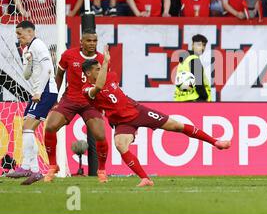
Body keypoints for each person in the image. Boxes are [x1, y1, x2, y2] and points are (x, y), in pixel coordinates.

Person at [82, 46, 230, 187]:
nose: (101, 70)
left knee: (176, 125)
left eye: (101, 68)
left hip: (137, 111)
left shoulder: (111, 76)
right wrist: (106, 61)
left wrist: (105, 65)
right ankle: (145, 178)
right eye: (97, 69)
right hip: (121, 122)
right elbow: (99, 87)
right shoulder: (86, 90)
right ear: (89, 73)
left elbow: (108, 86)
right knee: (121, 145)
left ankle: (215, 142)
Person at [42, 30, 109, 184]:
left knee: (100, 135)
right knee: (50, 126)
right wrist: (54, 98)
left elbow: (104, 83)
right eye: (89, 41)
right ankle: (53, 165)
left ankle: (102, 170)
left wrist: (105, 104)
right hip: (70, 100)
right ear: (81, 42)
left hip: (90, 102)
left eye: (94, 40)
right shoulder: (68, 55)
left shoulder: (101, 59)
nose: (92, 43)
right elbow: (59, 75)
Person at [6, 21, 58, 185]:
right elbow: (27, 75)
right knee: (26, 128)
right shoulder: (28, 49)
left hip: (45, 91)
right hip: (40, 92)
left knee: (28, 127)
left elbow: (48, 69)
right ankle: (30, 167)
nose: (18, 37)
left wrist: (38, 92)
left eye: (20, 34)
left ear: (30, 32)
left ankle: (32, 169)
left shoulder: (39, 45)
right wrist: (28, 61)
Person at [174, 34, 211, 102]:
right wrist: (205, 96)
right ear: (193, 45)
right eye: (199, 45)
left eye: (204, 45)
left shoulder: (184, 60)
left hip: (181, 99)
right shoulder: (194, 59)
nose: (202, 48)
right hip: (195, 100)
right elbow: (198, 83)